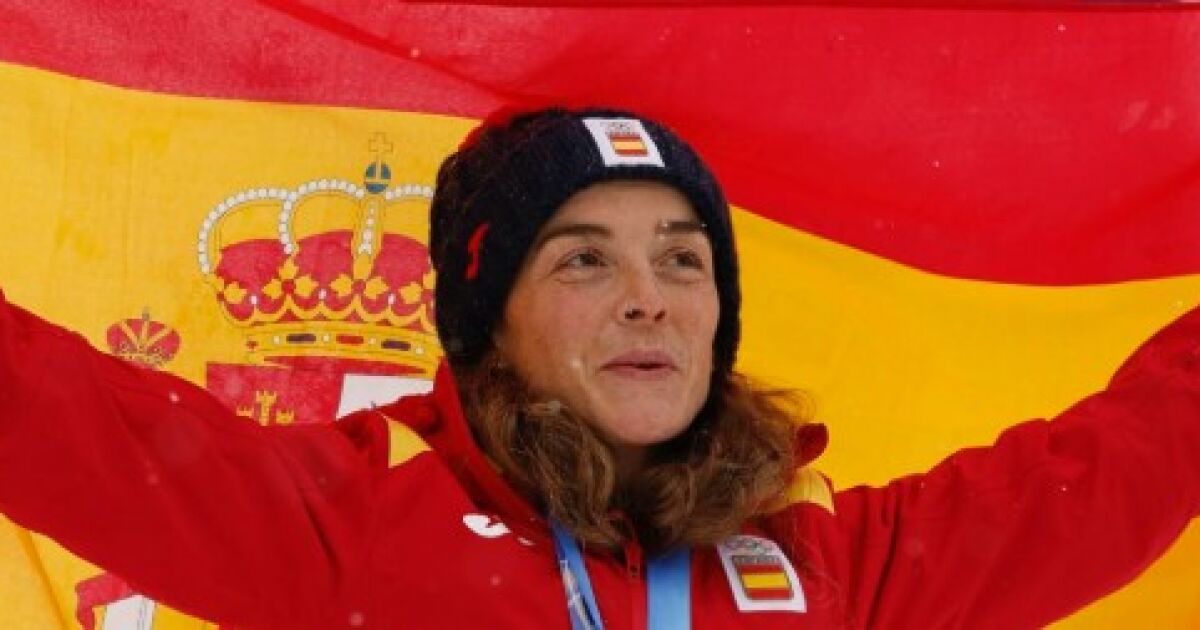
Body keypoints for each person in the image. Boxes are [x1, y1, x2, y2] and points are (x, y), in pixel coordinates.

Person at [0, 107, 1198, 630]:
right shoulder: (361, 524)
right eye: (584, 258)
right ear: (488, 321)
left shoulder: (823, 569)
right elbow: (56, 419)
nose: (648, 296)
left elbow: (1117, 474)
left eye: (683, 258)